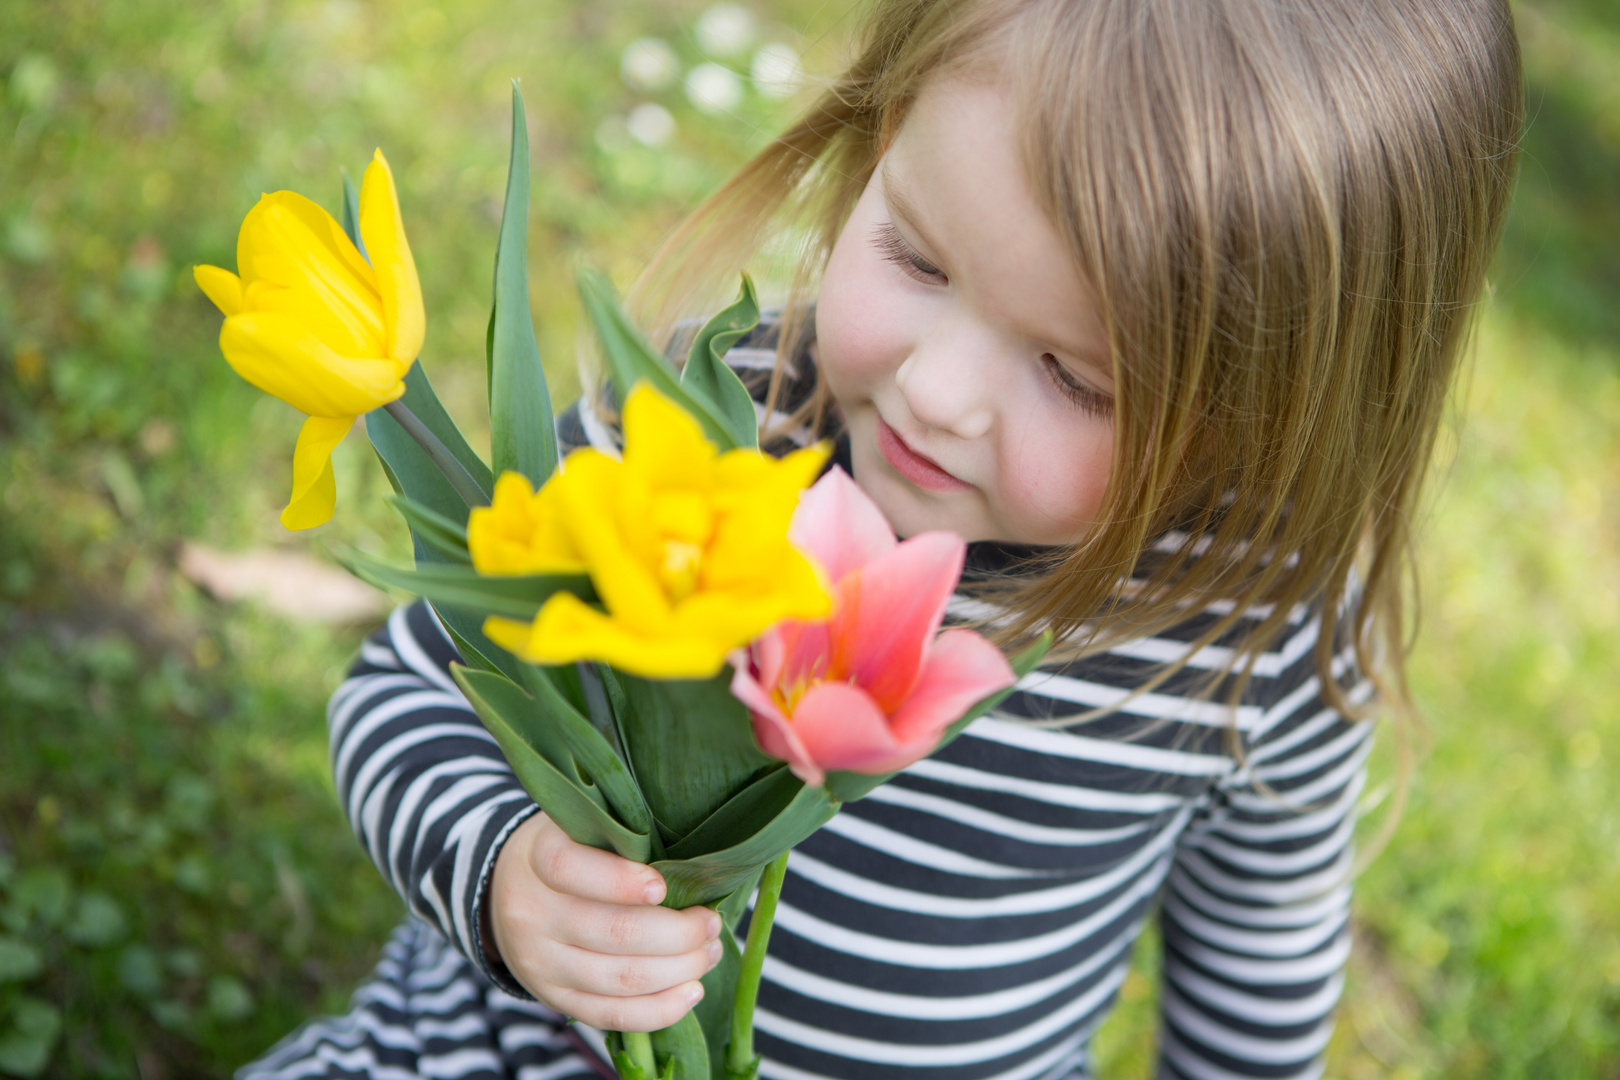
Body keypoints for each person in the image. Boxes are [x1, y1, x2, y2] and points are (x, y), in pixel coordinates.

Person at [239, 0, 1522, 1077]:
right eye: (915, 255)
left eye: (1078, 378)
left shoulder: (1252, 631)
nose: (936, 392)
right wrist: (506, 874)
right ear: (873, 140)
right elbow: (409, 687)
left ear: (1272, 419)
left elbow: (1256, 983)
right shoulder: (715, 431)